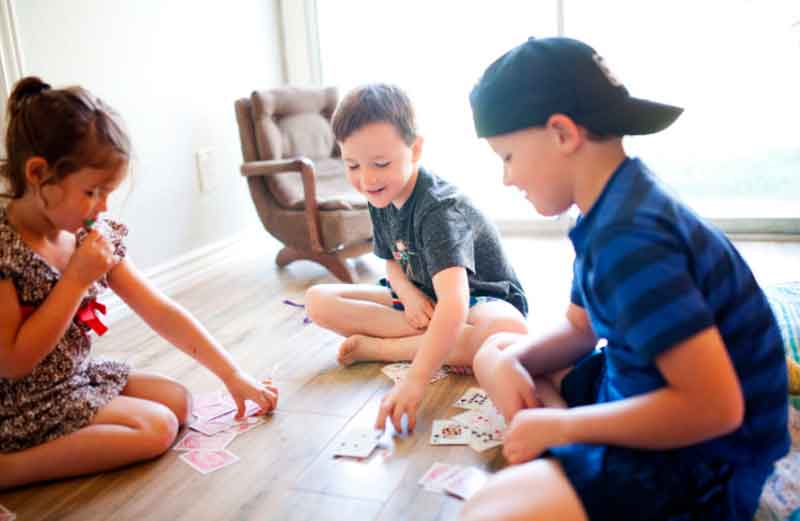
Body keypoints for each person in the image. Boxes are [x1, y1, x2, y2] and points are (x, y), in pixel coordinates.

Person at [460, 37, 789, 521]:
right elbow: (579, 329)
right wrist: (517, 365)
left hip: (706, 458)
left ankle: (571, 458)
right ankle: (567, 455)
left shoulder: (630, 239)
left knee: (488, 511)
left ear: (562, 134)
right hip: (635, 387)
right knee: (494, 354)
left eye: (507, 156)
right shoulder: (613, 205)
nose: (507, 178)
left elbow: (715, 410)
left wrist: (562, 430)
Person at [0, 77, 278, 489]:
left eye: (108, 192)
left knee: (180, 402)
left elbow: (160, 310)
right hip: (19, 404)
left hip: (75, 378)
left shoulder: (87, 236)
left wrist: (232, 374)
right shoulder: (8, 251)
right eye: (92, 191)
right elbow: (13, 362)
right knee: (159, 428)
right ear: (39, 174)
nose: (103, 206)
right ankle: (9, 468)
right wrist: (76, 279)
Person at [304, 84, 528, 433]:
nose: (366, 179)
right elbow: (391, 261)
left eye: (380, 163)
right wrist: (408, 295)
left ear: (416, 149)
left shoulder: (438, 208)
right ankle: (431, 342)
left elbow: (455, 302)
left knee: (506, 331)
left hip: (478, 299)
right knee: (317, 300)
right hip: (423, 295)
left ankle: (381, 348)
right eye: (352, 165)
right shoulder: (378, 192)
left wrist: (415, 378)